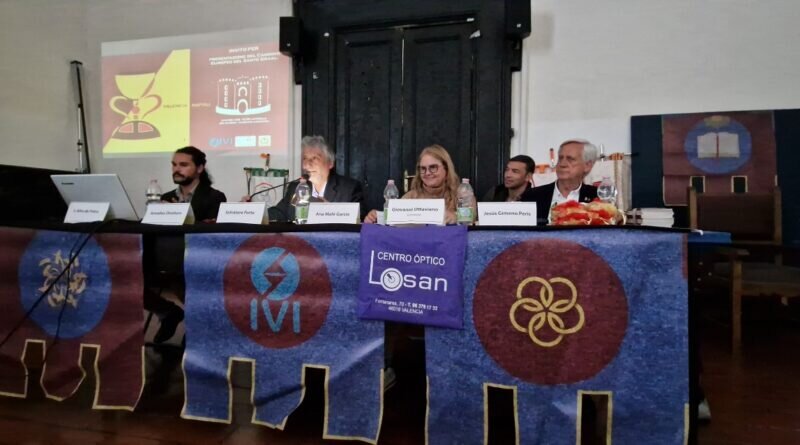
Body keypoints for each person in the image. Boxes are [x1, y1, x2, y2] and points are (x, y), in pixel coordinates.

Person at [268, 136, 365, 222]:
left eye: (315, 158)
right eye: (305, 158)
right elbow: (278, 213)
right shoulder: (295, 187)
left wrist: (331, 211)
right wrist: (259, 212)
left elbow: (360, 219)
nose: (308, 164)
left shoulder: (349, 189)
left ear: (330, 163)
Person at [364, 144, 461, 224]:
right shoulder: (411, 196)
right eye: (423, 168)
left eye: (433, 167)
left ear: (446, 169)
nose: (427, 173)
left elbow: (469, 220)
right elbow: (393, 219)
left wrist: (456, 217)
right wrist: (377, 217)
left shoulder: (461, 195)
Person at [520, 139, 598, 225]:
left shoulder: (597, 197)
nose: (562, 164)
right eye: (560, 158)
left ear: (587, 165)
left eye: (570, 159)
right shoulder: (532, 196)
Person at [161, 146, 227, 223]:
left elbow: (212, 228)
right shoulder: (166, 198)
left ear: (199, 168)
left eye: (183, 165)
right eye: (174, 164)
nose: (176, 169)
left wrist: (182, 217)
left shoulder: (215, 197)